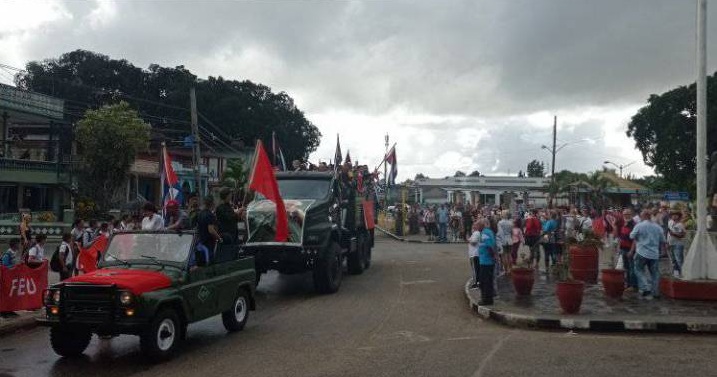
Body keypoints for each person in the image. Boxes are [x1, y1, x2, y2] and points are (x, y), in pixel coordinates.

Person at [629, 210, 666, 300]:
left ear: (643, 216)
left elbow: (631, 236)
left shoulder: (639, 225)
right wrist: (663, 251)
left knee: (638, 269)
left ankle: (645, 287)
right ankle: (655, 292)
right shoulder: (658, 227)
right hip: (654, 254)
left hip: (641, 252)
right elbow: (663, 240)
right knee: (655, 273)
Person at [194, 195, 222, 267]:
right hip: (208, 243)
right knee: (209, 263)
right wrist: (219, 238)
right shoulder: (209, 215)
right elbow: (211, 230)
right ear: (212, 203)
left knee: (201, 262)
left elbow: (197, 227)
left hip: (200, 242)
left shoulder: (200, 213)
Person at [476, 218, 496, 305]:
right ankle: (488, 298)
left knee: (485, 281)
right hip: (485, 260)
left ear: (483, 225)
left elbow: (490, 247)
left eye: (478, 224)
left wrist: (493, 256)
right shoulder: (487, 232)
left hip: (486, 261)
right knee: (486, 281)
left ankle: (486, 299)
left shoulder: (485, 233)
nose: (477, 226)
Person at [618, 209, 638, 291]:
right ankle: (628, 284)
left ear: (631, 214)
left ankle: (634, 285)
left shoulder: (633, 225)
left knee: (632, 268)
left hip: (630, 250)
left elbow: (635, 239)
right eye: (624, 214)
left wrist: (632, 250)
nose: (626, 216)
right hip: (623, 249)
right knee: (626, 267)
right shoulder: (624, 223)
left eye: (628, 214)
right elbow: (622, 237)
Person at [667, 211, 686, 278]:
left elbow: (683, 234)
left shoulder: (680, 225)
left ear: (679, 216)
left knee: (679, 259)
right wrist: (667, 242)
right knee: (673, 259)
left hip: (678, 244)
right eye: (673, 215)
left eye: (676, 215)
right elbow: (668, 234)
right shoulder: (670, 222)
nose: (674, 216)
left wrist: (675, 234)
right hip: (670, 243)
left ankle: (683, 273)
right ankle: (676, 273)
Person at [497, 211, 513, 275]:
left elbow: (499, 233)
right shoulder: (510, 223)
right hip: (509, 239)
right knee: (509, 255)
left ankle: (506, 270)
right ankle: (510, 269)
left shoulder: (500, 223)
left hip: (503, 240)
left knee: (504, 256)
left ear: (503, 215)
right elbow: (511, 232)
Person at [468, 222, 481, 288]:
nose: (472, 227)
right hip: (475, 253)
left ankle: (476, 283)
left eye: (473, 225)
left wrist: (469, 240)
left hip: (474, 254)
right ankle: (477, 282)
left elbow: (473, 242)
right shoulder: (476, 233)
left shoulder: (476, 233)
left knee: (475, 269)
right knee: (476, 269)